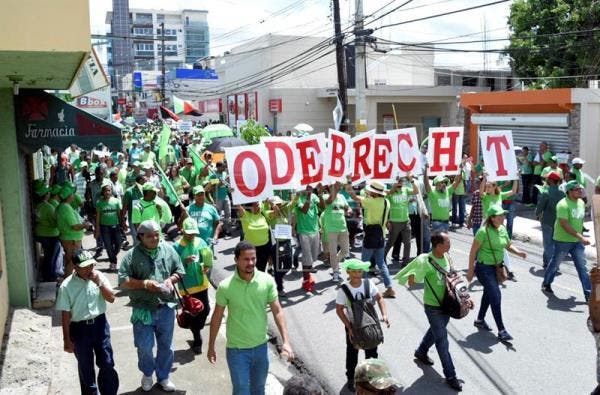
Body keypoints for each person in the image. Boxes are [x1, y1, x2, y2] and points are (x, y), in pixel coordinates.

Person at [208, 241, 294, 394]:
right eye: (246, 259)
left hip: (261, 348)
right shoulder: (225, 286)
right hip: (237, 351)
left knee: (258, 389)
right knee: (241, 390)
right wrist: (211, 346)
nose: (251, 263)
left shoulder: (266, 281)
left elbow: (278, 311)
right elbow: (216, 318)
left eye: (253, 258)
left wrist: (286, 342)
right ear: (236, 260)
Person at [118, 220, 185, 392]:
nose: (155, 238)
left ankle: (163, 376)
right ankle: (147, 374)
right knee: (144, 346)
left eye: (157, 234)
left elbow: (180, 270)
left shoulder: (168, 249)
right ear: (140, 237)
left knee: (166, 346)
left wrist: (171, 279)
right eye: (149, 236)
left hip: (166, 308)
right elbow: (123, 281)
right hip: (142, 309)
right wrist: (145, 284)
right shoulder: (131, 256)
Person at [396, 231, 466, 391]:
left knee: (435, 331)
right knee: (442, 340)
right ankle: (451, 375)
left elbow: (454, 278)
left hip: (448, 305)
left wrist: (465, 297)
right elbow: (412, 280)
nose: (450, 245)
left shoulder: (447, 257)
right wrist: (412, 276)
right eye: (447, 242)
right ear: (438, 245)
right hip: (433, 307)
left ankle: (421, 351)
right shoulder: (426, 261)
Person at [56, 249, 119, 395]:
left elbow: (111, 298)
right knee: (85, 367)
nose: (88, 269)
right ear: (75, 267)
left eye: (91, 265)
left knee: (107, 363)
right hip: (79, 329)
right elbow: (65, 316)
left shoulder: (99, 277)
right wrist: (66, 340)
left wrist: (99, 283)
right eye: (84, 266)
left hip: (100, 325)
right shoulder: (66, 286)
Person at [468, 205, 527, 342]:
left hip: (496, 268)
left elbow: (507, 245)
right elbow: (472, 252)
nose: (503, 217)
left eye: (503, 215)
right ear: (492, 218)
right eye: (500, 215)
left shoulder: (502, 229)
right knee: (495, 295)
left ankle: (480, 319)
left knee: (488, 294)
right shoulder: (483, 232)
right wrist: (470, 271)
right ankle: (501, 330)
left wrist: (519, 252)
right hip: (483, 269)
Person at [335, 258, 390, 392]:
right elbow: (339, 309)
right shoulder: (344, 289)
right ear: (348, 272)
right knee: (352, 352)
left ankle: (370, 377)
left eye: (359, 271)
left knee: (372, 352)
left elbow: (380, 298)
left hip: (370, 323)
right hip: (353, 325)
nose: (357, 274)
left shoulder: (368, 283)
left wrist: (384, 315)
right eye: (354, 271)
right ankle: (351, 378)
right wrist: (348, 327)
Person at [542, 181, 591, 300]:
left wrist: (580, 237)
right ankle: (546, 283)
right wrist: (581, 237)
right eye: (576, 189)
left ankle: (588, 294)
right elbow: (564, 224)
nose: (580, 191)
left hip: (577, 242)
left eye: (580, 189)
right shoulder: (563, 205)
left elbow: (579, 221)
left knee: (582, 267)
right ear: (569, 192)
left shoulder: (581, 203)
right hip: (563, 241)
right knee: (555, 264)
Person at [345, 180, 395, 298]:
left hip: (370, 235)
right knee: (381, 263)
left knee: (364, 264)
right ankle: (390, 288)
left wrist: (348, 182)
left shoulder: (370, 202)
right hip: (381, 235)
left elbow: (353, 196)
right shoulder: (386, 202)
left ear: (374, 192)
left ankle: (365, 290)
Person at [174, 218, 213, 354]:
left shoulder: (200, 242)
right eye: (188, 233)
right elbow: (173, 266)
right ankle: (197, 338)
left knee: (206, 310)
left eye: (193, 233)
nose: (191, 236)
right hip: (187, 286)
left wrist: (206, 267)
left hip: (201, 283)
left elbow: (206, 259)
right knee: (192, 312)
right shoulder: (177, 246)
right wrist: (184, 261)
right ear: (183, 231)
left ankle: (196, 328)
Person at [57, 183, 92, 277]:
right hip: (71, 239)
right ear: (69, 196)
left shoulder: (62, 206)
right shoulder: (65, 208)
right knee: (73, 261)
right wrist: (85, 225)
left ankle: (68, 278)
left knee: (70, 260)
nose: (74, 195)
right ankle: (66, 279)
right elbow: (75, 226)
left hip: (68, 237)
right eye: (72, 194)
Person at [294, 185, 324, 292]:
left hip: (315, 230)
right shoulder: (298, 198)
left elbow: (322, 207)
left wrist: (320, 194)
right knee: (307, 258)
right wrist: (308, 196)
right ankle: (305, 281)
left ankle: (308, 274)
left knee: (313, 257)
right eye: (305, 187)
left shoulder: (314, 196)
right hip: (304, 232)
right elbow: (304, 210)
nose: (307, 188)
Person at [321, 182, 351, 282]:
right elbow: (329, 201)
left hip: (343, 228)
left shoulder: (342, 196)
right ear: (330, 187)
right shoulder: (326, 196)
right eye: (335, 185)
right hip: (331, 229)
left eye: (338, 185)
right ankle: (335, 271)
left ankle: (335, 262)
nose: (339, 186)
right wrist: (334, 189)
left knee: (345, 251)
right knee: (333, 252)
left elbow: (347, 207)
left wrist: (349, 210)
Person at [385, 175, 418, 266]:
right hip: (395, 222)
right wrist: (393, 188)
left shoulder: (406, 189)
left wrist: (411, 181)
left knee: (407, 243)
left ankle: (405, 263)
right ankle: (382, 259)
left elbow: (416, 191)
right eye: (398, 181)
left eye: (401, 181)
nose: (400, 182)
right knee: (390, 242)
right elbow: (386, 199)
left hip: (406, 221)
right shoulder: (390, 192)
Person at [535, 172, 565, 269]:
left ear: (551, 181)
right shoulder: (562, 194)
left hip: (547, 222)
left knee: (548, 244)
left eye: (547, 179)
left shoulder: (546, 193)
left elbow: (539, 208)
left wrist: (537, 214)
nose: (546, 180)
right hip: (559, 223)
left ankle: (553, 265)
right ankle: (546, 261)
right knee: (554, 244)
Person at [424, 163, 464, 233]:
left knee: (444, 243)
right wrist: (426, 170)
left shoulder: (448, 191)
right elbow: (426, 183)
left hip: (446, 223)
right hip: (437, 224)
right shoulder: (432, 192)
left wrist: (460, 169)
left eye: (444, 182)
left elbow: (457, 181)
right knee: (438, 243)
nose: (444, 184)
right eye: (441, 182)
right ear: (436, 184)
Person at [33, 182, 61, 281]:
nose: (50, 194)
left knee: (48, 256)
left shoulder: (37, 206)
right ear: (46, 195)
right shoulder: (48, 207)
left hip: (40, 234)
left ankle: (47, 276)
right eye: (48, 193)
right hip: (51, 235)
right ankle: (50, 277)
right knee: (51, 258)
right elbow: (54, 223)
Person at [95, 183, 123, 271]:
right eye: (105, 190)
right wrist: (97, 229)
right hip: (104, 227)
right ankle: (113, 262)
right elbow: (98, 217)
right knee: (108, 245)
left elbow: (119, 214)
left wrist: (122, 224)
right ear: (102, 192)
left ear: (111, 191)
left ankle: (112, 255)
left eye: (109, 190)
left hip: (116, 226)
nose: (107, 192)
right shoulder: (99, 203)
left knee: (119, 244)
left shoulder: (116, 201)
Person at [237, 202, 272, 272]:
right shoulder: (245, 215)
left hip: (265, 247)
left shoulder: (263, 213)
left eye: (258, 204)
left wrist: (271, 202)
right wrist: (234, 193)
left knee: (261, 270)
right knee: (251, 271)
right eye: (255, 205)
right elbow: (238, 205)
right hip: (251, 249)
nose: (258, 206)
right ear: (250, 207)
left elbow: (276, 213)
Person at [209, 161, 232, 236]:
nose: (224, 168)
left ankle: (226, 229)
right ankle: (218, 231)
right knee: (218, 216)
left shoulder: (225, 174)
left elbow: (226, 184)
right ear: (218, 167)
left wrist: (228, 186)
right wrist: (219, 183)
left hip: (225, 196)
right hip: (217, 198)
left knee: (228, 214)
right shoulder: (213, 176)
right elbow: (211, 187)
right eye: (222, 166)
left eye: (224, 166)